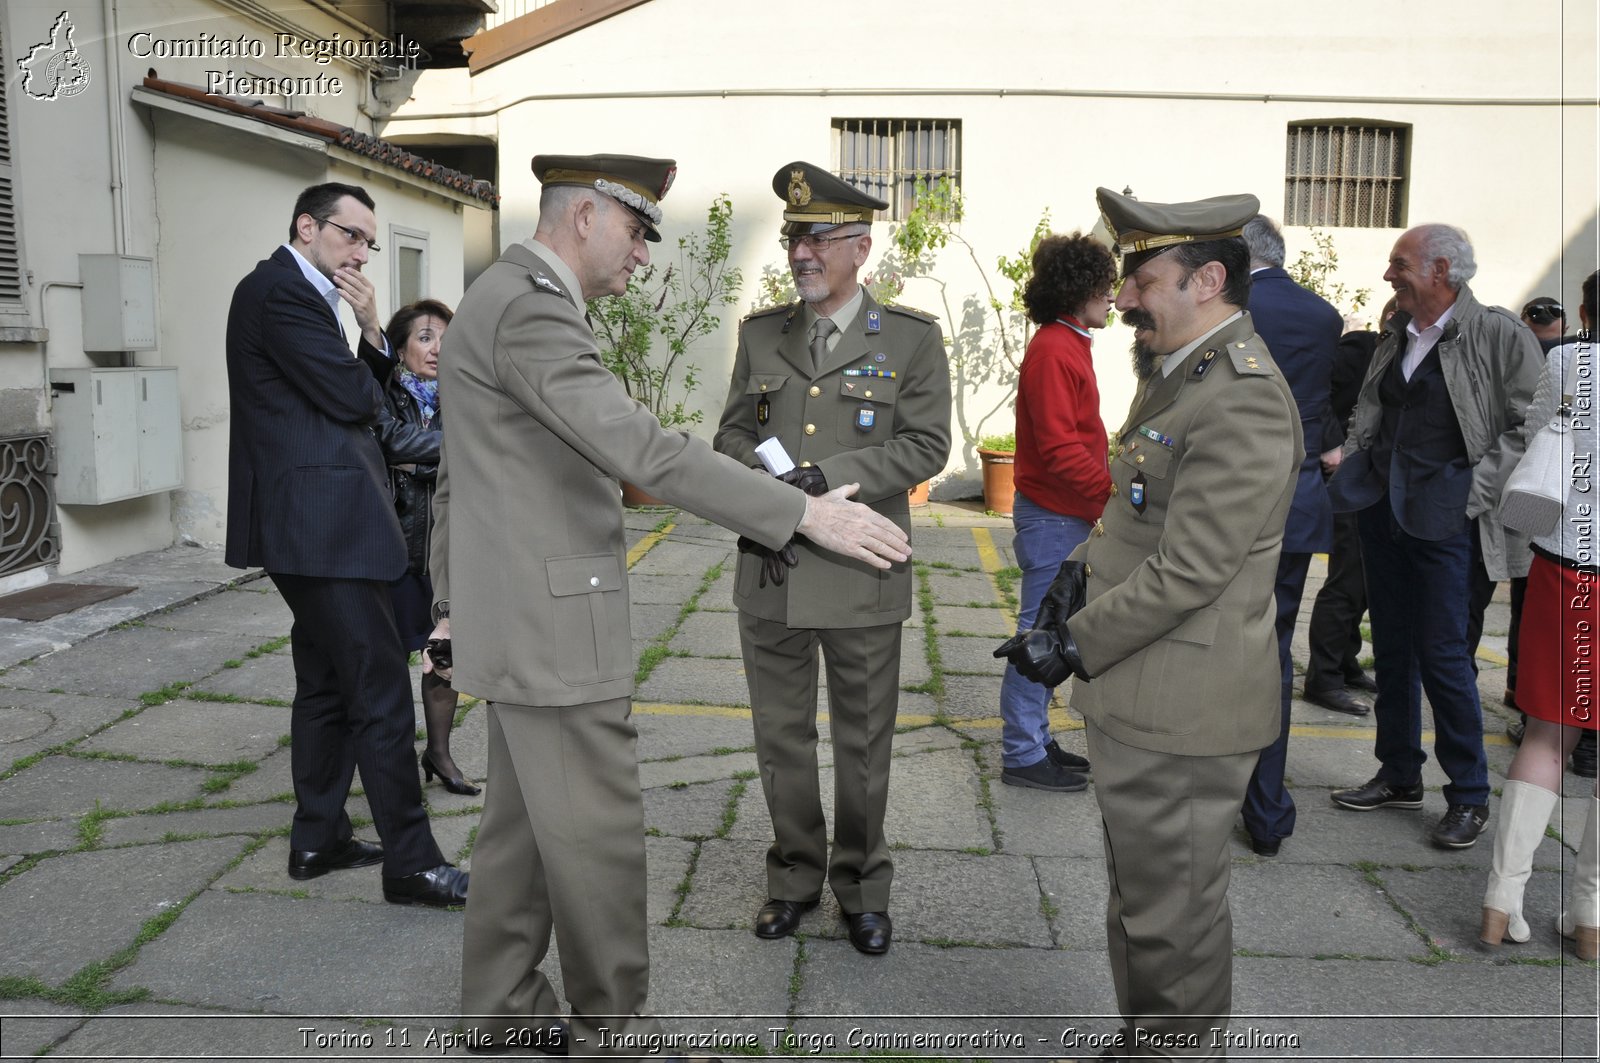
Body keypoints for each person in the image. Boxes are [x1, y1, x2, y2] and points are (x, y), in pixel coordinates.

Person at [428, 154, 913, 1054]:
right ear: (584, 218)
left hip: (516, 617)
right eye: (638, 232)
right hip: (552, 625)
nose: (644, 255)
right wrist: (797, 513)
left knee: (521, 831)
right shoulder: (531, 308)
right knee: (596, 837)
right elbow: (641, 449)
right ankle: (613, 1023)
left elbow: (462, 477)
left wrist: (454, 607)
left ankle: (499, 1009)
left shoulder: (500, 295)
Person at [1000, 187, 1299, 1057]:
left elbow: (1192, 568)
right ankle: (1147, 1040)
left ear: (1209, 280)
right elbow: (1137, 515)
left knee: (1174, 919)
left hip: (1184, 709)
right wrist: (1073, 580)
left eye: (1144, 278)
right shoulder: (1185, 371)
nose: (1125, 298)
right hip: (1146, 696)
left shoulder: (1238, 396)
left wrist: (1073, 640)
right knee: (1142, 899)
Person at [713, 161, 951, 955]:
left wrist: (831, 479)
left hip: (859, 571)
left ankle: (860, 885)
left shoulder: (911, 340)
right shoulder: (760, 333)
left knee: (863, 744)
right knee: (780, 740)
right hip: (775, 567)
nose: (800, 253)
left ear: (860, 246)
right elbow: (731, 436)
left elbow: (926, 444)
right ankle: (791, 878)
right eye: (793, 237)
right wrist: (779, 490)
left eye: (817, 239)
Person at [224, 182, 466, 908]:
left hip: (316, 524)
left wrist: (362, 335)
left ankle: (317, 836)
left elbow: (346, 399)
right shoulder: (279, 293)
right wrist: (371, 330)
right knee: (381, 691)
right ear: (306, 226)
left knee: (327, 681)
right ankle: (412, 862)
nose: (362, 251)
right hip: (323, 526)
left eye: (369, 241)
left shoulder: (295, 293)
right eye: (350, 235)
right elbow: (357, 401)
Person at [1326, 224, 1541, 850]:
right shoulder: (1398, 332)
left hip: (1451, 523)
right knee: (1391, 649)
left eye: (1400, 263)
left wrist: (1476, 490)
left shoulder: (1499, 334)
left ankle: (1469, 796)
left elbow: (1532, 424)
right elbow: (1374, 409)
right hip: (1384, 514)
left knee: (1446, 658)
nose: (1390, 274)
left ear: (1441, 270)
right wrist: (1359, 462)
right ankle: (1398, 774)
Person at [1479, 268, 1598, 961]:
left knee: (1547, 737)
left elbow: (1535, 435)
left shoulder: (1568, 360)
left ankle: (1502, 900)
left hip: (1565, 568)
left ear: (1584, 308)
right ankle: (1591, 914)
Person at [995, 232, 1115, 793]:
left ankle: (1036, 739)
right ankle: (1021, 752)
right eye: (1105, 287)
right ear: (1078, 289)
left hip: (1061, 513)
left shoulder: (1067, 342)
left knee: (1051, 628)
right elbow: (1061, 449)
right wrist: (1109, 499)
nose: (1112, 299)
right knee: (1039, 635)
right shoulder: (1054, 350)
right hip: (1053, 516)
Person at [1237, 214, 1340, 857]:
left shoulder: (1231, 306)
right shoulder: (1323, 316)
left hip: (1229, 502)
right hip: (1295, 504)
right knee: (1274, 652)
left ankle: (1211, 785)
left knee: (1211, 644)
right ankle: (1268, 812)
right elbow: (1322, 407)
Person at [366, 299, 478, 796]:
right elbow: (388, 441)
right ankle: (389, 765)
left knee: (444, 655)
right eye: (426, 337)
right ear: (402, 345)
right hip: (394, 545)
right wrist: (454, 450)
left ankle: (439, 753)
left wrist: (425, 456)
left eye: (445, 338)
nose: (437, 349)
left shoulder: (467, 393)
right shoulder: (382, 391)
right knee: (386, 662)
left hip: (450, 547)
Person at [1302, 298, 1396, 716]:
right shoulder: (1361, 348)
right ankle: (1322, 678)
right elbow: (1315, 393)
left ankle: (1344, 662)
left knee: (1362, 583)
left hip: (1378, 485)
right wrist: (1332, 443)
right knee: (1345, 584)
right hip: (1350, 481)